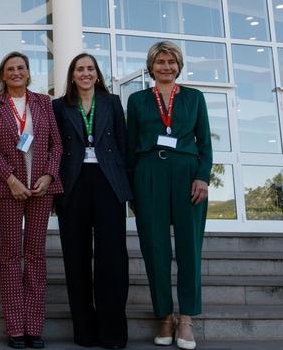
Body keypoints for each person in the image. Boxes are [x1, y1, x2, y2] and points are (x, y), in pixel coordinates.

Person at [126, 41, 211, 350]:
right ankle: (164, 316)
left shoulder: (194, 98)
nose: (165, 67)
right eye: (160, 61)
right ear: (151, 67)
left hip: (188, 175)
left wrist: (203, 177)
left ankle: (186, 317)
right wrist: (132, 190)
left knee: (189, 249)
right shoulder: (136, 101)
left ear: (179, 65)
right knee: (155, 249)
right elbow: (130, 146)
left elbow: (205, 144)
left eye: (171, 61)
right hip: (149, 174)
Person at [0, 51, 63, 349]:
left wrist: (50, 176)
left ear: (28, 73)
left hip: (42, 189)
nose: (16, 72)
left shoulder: (43, 102)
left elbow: (56, 145)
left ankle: (34, 326)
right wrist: (11, 179)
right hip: (8, 188)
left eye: (21, 68)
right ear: (3, 75)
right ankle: (16, 327)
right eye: (10, 69)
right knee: (10, 256)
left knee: (36, 256)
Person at [52, 53, 131, 349]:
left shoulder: (111, 103)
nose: (85, 73)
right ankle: (84, 332)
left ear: (97, 74)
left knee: (112, 258)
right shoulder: (58, 106)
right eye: (79, 69)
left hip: (109, 183)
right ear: (72, 75)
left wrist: (128, 188)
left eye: (90, 69)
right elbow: (54, 147)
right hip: (73, 185)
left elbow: (123, 144)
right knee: (76, 258)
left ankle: (113, 333)